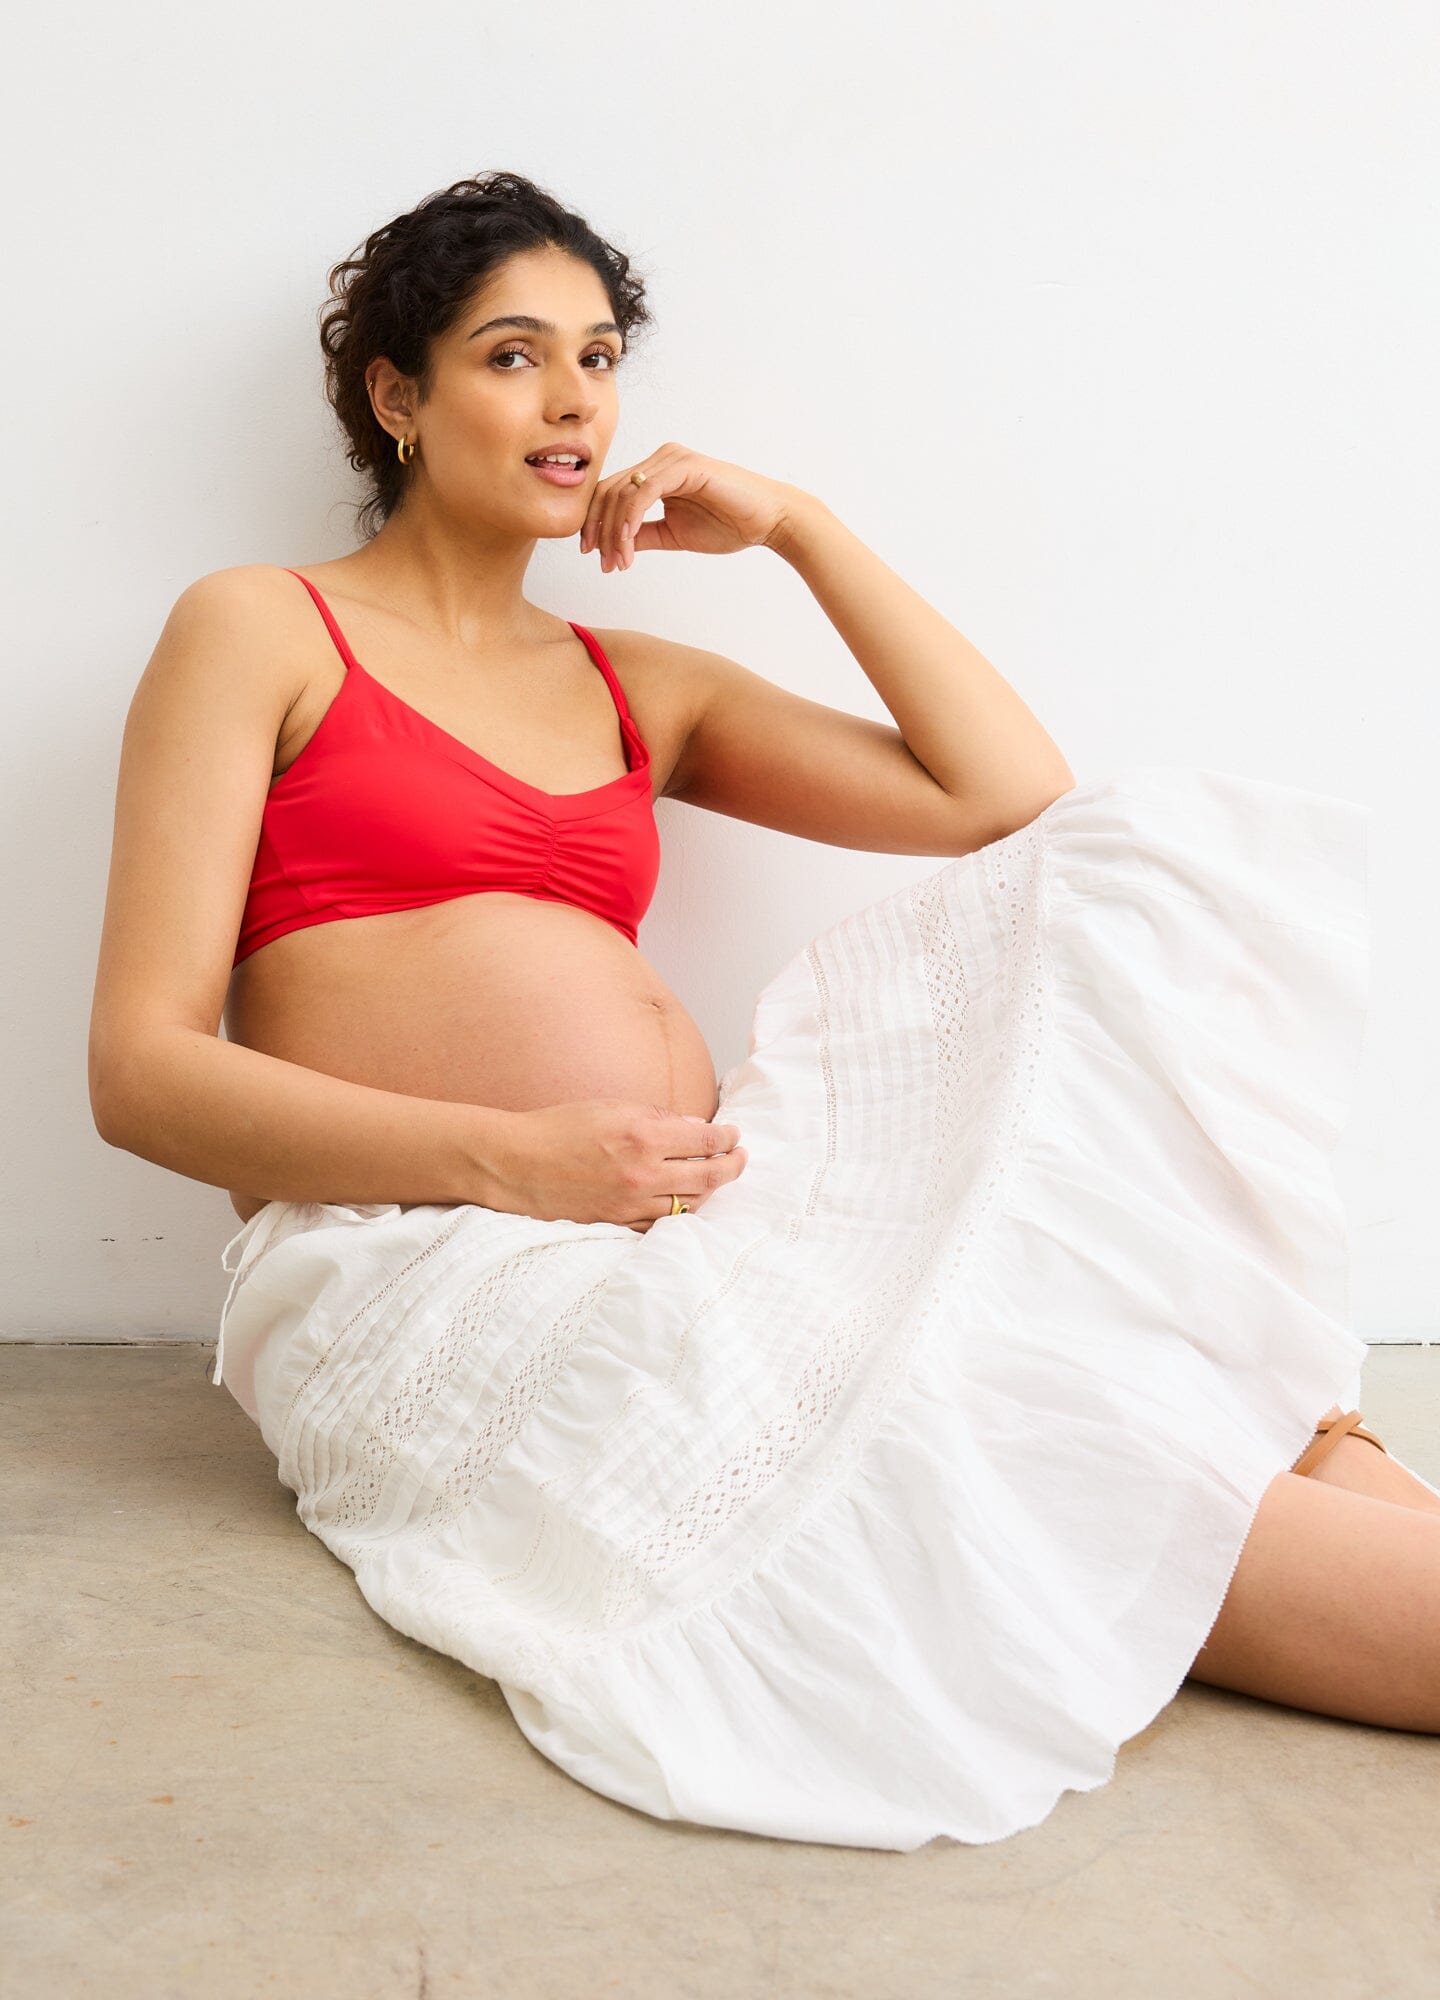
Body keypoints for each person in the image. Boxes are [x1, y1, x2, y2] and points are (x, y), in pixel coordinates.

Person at [88, 170, 1440, 1852]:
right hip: (440, 1247)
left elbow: (1010, 796)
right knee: (1014, 1454)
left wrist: (798, 527)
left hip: (685, 1210)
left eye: (598, 357)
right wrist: (514, 1163)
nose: (575, 397)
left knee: (1150, 1241)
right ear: (395, 395)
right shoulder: (257, 628)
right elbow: (141, 1074)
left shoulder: (633, 685)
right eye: (514, 355)